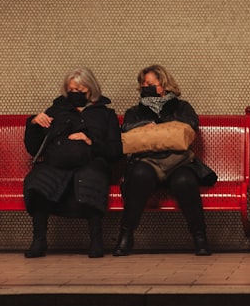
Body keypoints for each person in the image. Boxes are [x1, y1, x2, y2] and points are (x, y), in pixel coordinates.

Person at [23, 67, 123, 258]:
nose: (75, 94)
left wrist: (90, 142)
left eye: (80, 90)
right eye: (72, 91)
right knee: (37, 181)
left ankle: (96, 240)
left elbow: (115, 151)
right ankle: (39, 241)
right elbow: (34, 148)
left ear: (91, 89)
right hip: (57, 163)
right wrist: (34, 124)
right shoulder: (55, 111)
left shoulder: (105, 114)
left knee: (90, 180)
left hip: (91, 162)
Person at [114, 64, 212, 256]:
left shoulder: (182, 107)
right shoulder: (135, 111)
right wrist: (165, 130)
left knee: (185, 181)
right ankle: (126, 235)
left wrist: (154, 127)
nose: (146, 86)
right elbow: (127, 130)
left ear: (164, 85)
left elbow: (191, 126)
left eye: (151, 83)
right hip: (147, 162)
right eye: (143, 84)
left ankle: (200, 237)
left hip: (178, 161)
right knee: (140, 175)